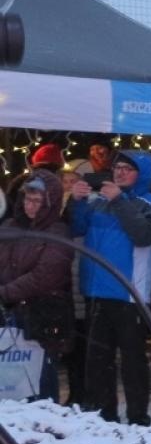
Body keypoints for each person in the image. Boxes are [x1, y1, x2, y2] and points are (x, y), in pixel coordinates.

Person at [68, 149, 151, 425]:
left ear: (143, 174)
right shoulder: (98, 201)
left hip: (130, 294)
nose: (120, 172)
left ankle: (138, 418)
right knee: (98, 360)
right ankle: (104, 415)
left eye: (128, 168)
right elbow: (76, 228)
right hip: (96, 291)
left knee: (133, 361)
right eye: (117, 167)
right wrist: (75, 202)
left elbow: (144, 236)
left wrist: (121, 201)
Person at [0, 171, 73, 402]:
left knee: (40, 378)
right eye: (27, 199)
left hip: (42, 317)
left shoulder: (58, 232)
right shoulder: (11, 226)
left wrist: (5, 292)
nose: (30, 206)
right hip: (9, 312)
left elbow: (44, 276)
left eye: (37, 201)